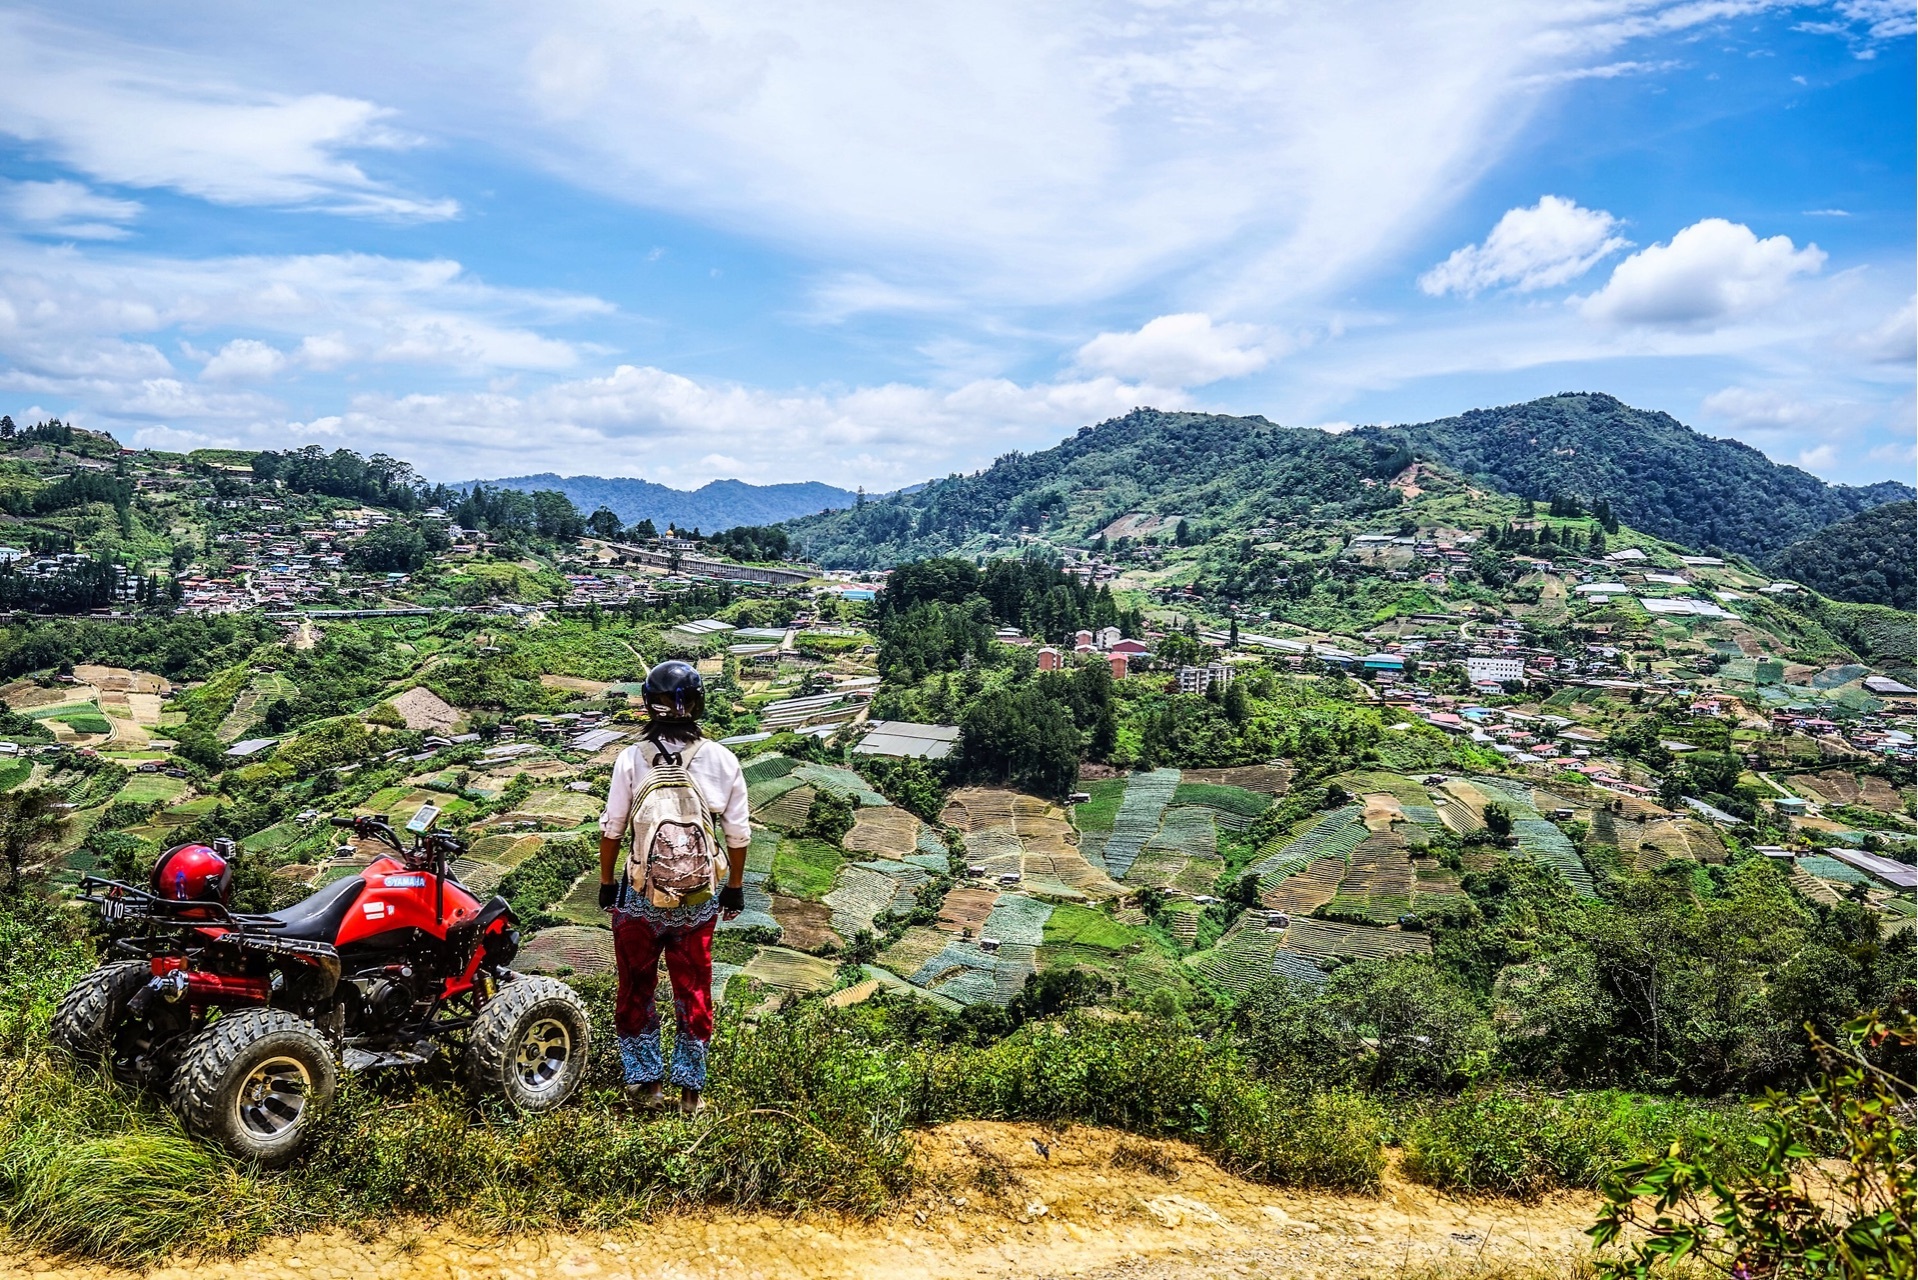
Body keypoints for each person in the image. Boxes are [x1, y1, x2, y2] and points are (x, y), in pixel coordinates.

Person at [597, 659, 749, 1115]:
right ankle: (691, 1095)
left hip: (639, 898)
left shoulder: (631, 759)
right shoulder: (722, 760)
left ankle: (645, 1087)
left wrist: (607, 884)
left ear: (649, 705)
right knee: (694, 990)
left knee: (636, 987)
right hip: (698, 903)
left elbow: (612, 830)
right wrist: (734, 888)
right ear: (697, 703)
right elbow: (738, 835)